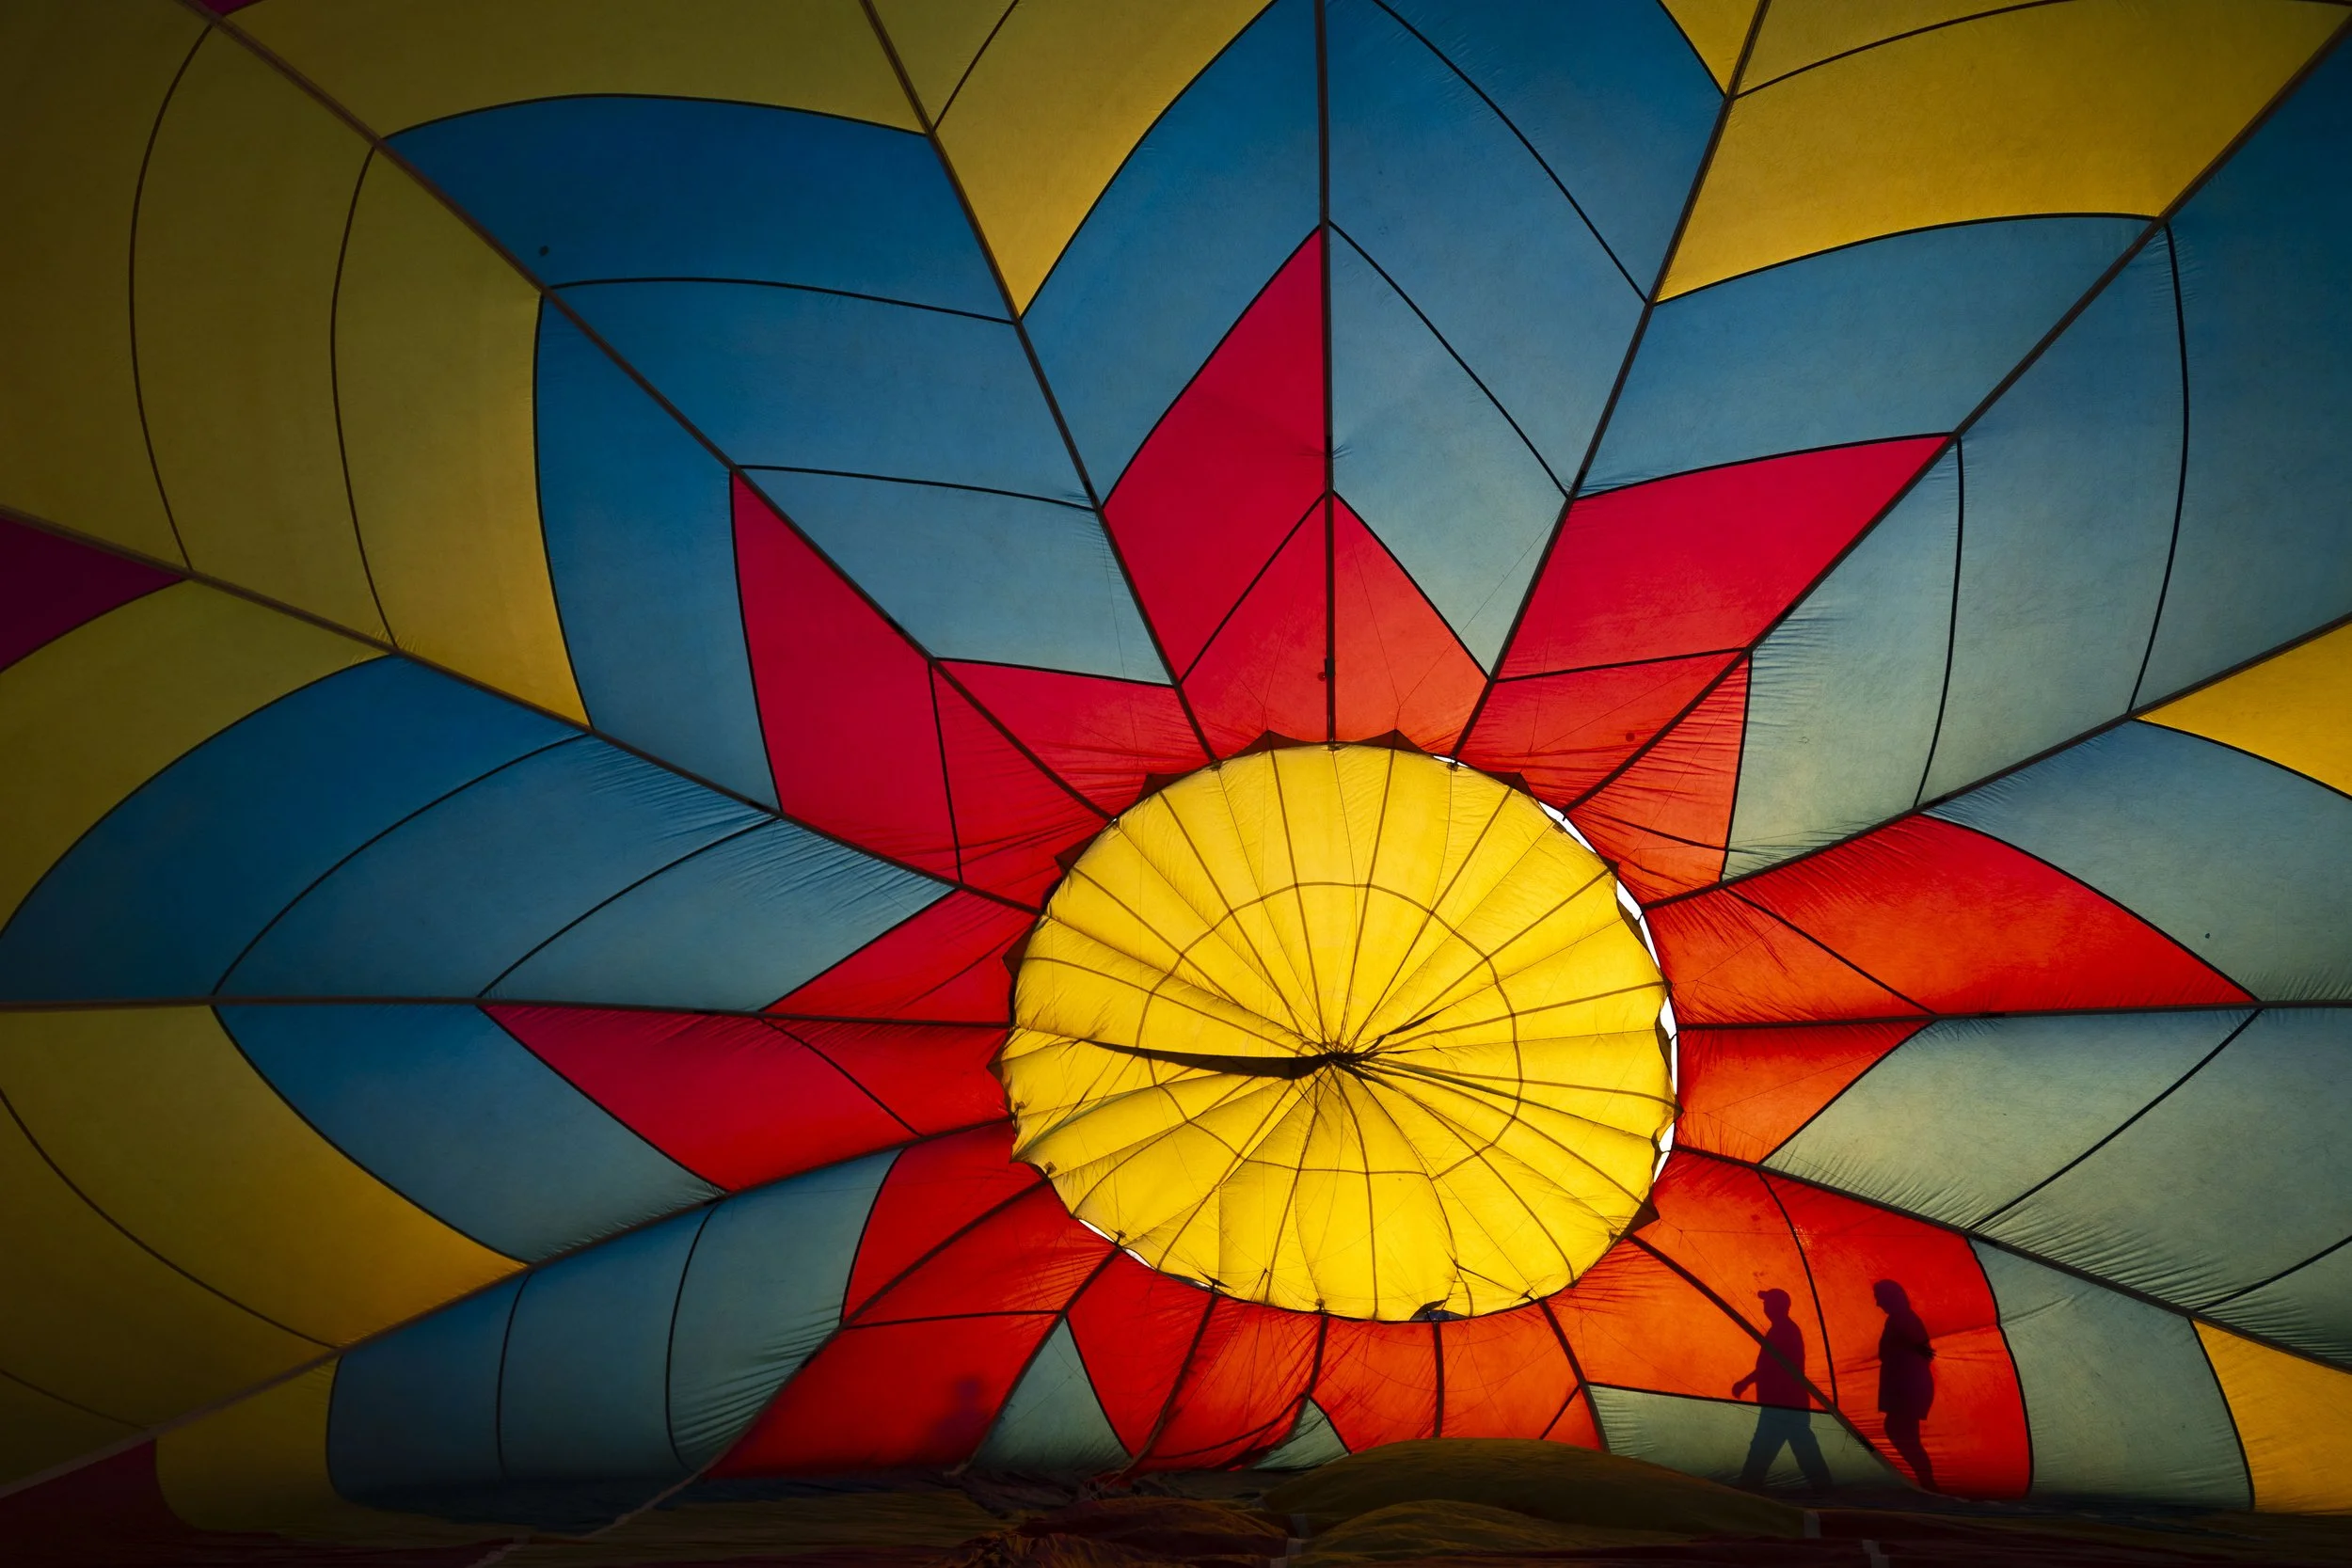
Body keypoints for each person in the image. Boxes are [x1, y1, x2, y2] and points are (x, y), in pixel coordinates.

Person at [1734, 1288, 1830, 1491]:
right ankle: (1825, 1488)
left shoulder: (1784, 1330)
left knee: (1763, 1448)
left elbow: (1773, 1366)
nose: (1764, 1307)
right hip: (1788, 1403)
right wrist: (1746, 1382)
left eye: (1767, 1302)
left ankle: (1747, 1489)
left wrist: (1745, 1382)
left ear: (1777, 1306)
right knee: (1802, 1447)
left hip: (1783, 1403)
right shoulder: (1781, 1329)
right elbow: (1769, 1366)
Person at [1874, 1280, 1936, 1490]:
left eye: (1880, 1297)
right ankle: (1925, 1482)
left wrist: (1907, 1369)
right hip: (1906, 1387)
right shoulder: (1897, 1319)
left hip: (1908, 1389)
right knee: (1904, 1434)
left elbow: (1925, 1352)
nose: (1877, 1303)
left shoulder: (1903, 1319)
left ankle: (1927, 1483)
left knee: (1900, 1431)